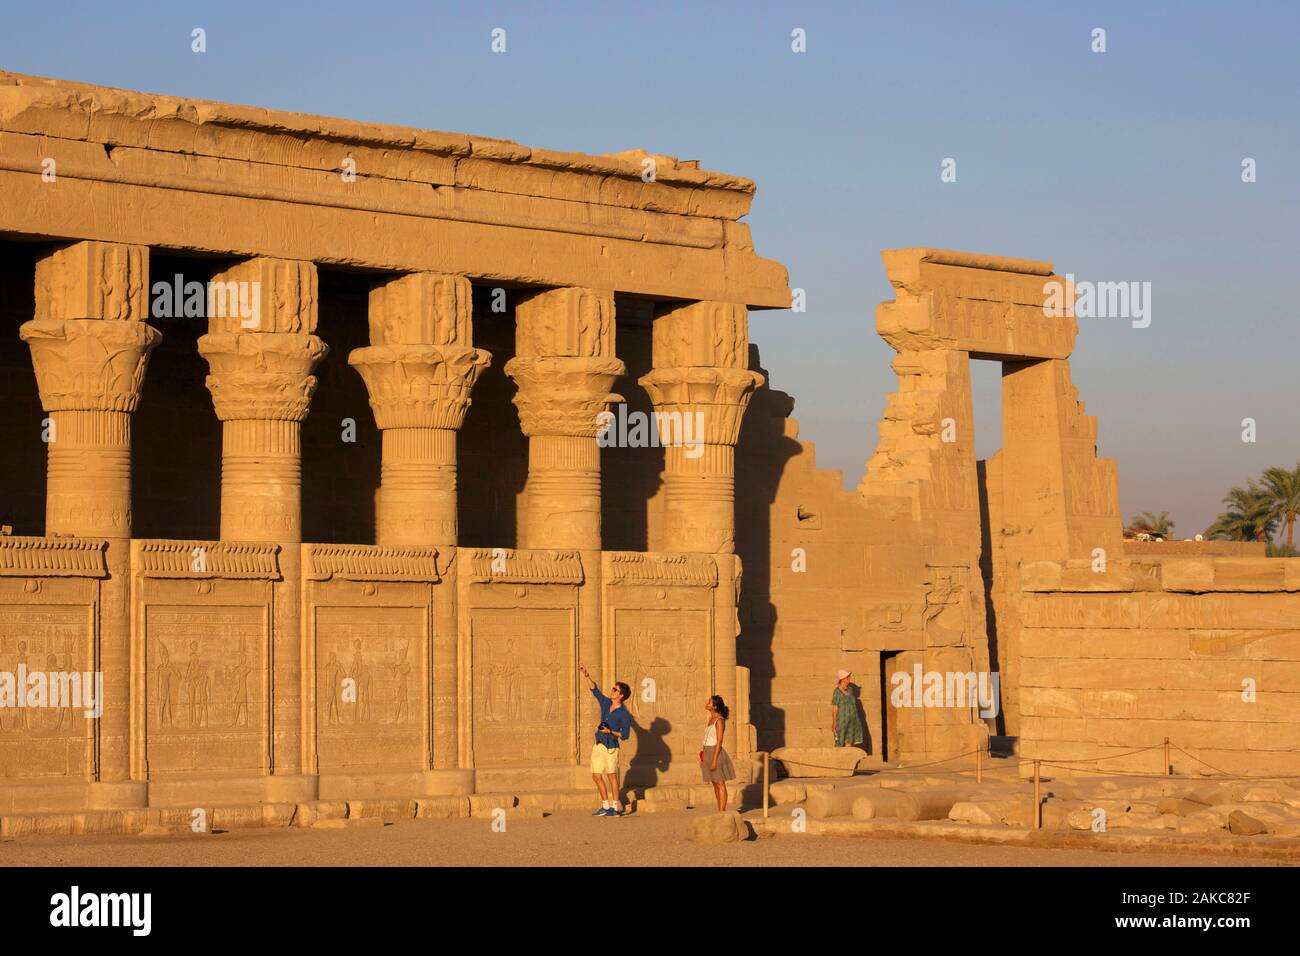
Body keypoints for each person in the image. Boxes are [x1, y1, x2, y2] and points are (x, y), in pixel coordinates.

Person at [580, 664, 631, 817]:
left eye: (615, 690)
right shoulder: (606, 703)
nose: (612, 690)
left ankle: (615, 807)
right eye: (613, 688)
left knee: (611, 775)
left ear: (621, 695)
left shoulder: (623, 714)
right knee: (596, 775)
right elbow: (595, 690)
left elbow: (626, 735)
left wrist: (611, 732)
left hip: (611, 746)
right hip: (599, 744)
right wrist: (586, 675)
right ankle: (605, 805)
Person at [701, 694, 735, 810]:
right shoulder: (711, 719)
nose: (707, 703)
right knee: (714, 783)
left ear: (714, 706)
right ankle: (719, 808)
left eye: (710, 702)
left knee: (720, 782)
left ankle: (722, 810)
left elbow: (719, 741)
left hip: (716, 752)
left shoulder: (720, 720)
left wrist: (714, 760)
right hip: (707, 751)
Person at [831, 668, 864, 748]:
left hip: (852, 721)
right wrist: (834, 722)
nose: (849, 678)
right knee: (840, 741)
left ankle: (847, 759)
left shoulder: (850, 690)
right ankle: (839, 759)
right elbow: (835, 708)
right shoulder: (837, 692)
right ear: (842, 679)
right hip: (842, 722)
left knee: (849, 741)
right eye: (847, 677)